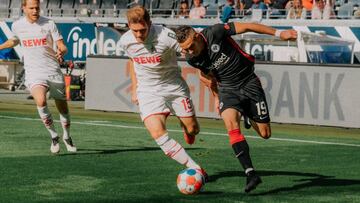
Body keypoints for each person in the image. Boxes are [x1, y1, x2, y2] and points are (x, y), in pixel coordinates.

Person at [175, 23, 297, 192]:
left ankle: (247, 112)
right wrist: (216, 96)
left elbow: (247, 26)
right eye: (185, 50)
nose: (189, 52)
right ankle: (250, 173)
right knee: (231, 126)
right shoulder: (191, 58)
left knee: (265, 134)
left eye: (190, 47)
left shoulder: (215, 32)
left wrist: (279, 32)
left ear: (196, 36)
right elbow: (207, 76)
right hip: (227, 89)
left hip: (249, 82)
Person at [119, 6, 207, 179]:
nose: (138, 35)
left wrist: (206, 73)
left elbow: (190, 51)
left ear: (150, 23)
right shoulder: (125, 41)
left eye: (142, 30)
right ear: (128, 25)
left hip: (173, 86)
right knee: (158, 134)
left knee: (193, 129)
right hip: (148, 90)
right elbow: (132, 60)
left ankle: (187, 128)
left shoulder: (166, 36)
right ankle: (195, 168)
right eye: (134, 30)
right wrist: (135, 88)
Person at [0, 0, 77, 154]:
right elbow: (15, 40)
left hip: (53, 71)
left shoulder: (49, 23)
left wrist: (62, 50)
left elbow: (61, 45)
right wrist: (1, 46)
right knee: (40, 101)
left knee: (63, 108)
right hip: (34, 72)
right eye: (32, 8)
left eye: (37, 8)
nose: (35, 11)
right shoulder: (17, 25)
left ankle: (67, 137)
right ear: (24, 8)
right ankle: (54, 136)